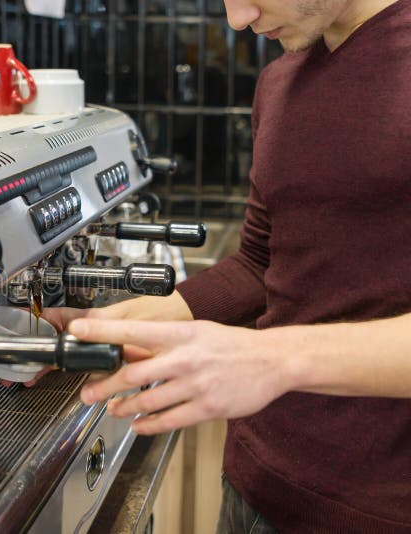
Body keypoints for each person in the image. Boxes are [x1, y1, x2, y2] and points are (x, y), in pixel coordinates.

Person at [37, 0, 411, 532]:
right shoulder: (280, 82)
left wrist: (273, 359)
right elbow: (261, 264)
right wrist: (117, 327)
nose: (238, 19)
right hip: (251, 488)